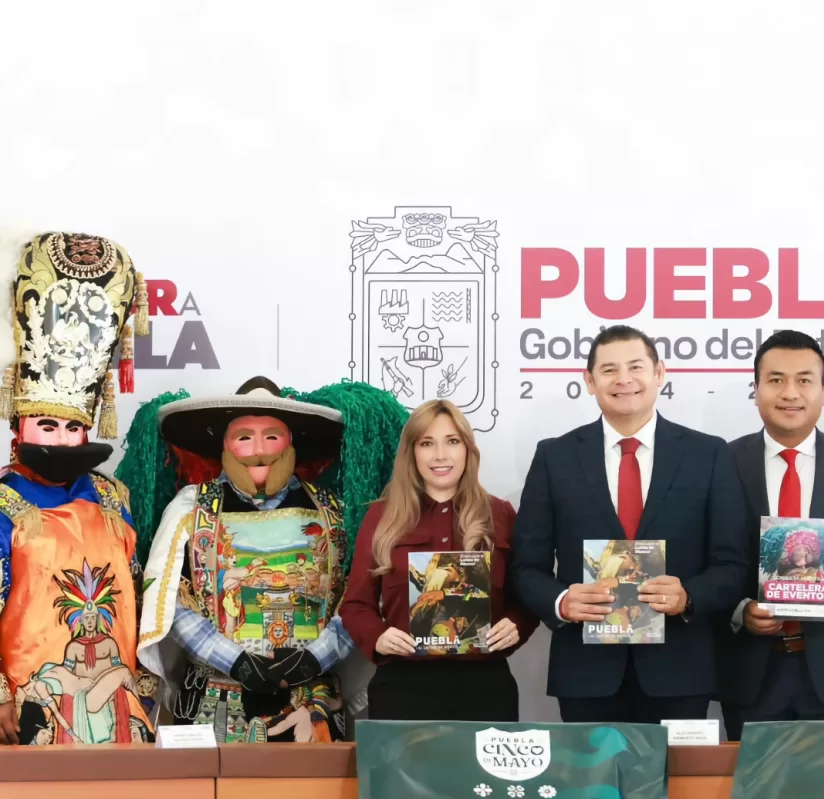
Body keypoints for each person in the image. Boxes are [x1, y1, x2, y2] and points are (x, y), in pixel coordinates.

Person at [127, 376, 406, 742]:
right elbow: (167, 600)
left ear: (291, 444)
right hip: (215, 697)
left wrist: (315, 658)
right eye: (244, 438)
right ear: (224, 446)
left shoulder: (333, 511)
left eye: (271, 437)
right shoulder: (191, 507)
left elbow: (358, 599)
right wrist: (235, 661)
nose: (259, 451)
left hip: (311, 700)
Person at [511, 324, 751, 724]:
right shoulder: (555, 457)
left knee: (677, 770)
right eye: (609, 370)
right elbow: (526, 567)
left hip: (679, 672)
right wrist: (562, 601)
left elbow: (732, 564)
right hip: (586, 673)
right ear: (589, 381)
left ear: (660, 373)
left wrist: (689, 597)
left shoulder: (708, 454)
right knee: (593, 770)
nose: (624, 379)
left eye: (636, 367)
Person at [0, 230, 158, 745]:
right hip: (27, 702)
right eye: (47, 426)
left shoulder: (112, 498)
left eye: (74, 428)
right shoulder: (3, 503)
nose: (63, 441)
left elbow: (137, 596)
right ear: (19, 428)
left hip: (117, 698)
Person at [715, 330, 824, 741]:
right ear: (756, 388)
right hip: (750, 671)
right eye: (776, 380)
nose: (790, 393)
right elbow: (707, 561)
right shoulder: (722, 461)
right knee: (757, 777)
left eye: (804, 380)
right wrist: (740, 610)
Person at [339, 399, 538, 721]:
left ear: (468, 449)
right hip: (402, 686)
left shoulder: (500, 514)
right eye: (427, 443)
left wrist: (517, 624)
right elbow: (355, 604)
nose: (440, 455)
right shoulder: (381, 516)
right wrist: (377, 636)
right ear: (411, 453)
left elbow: (528, 595)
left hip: (485, 686)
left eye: (452, 441)